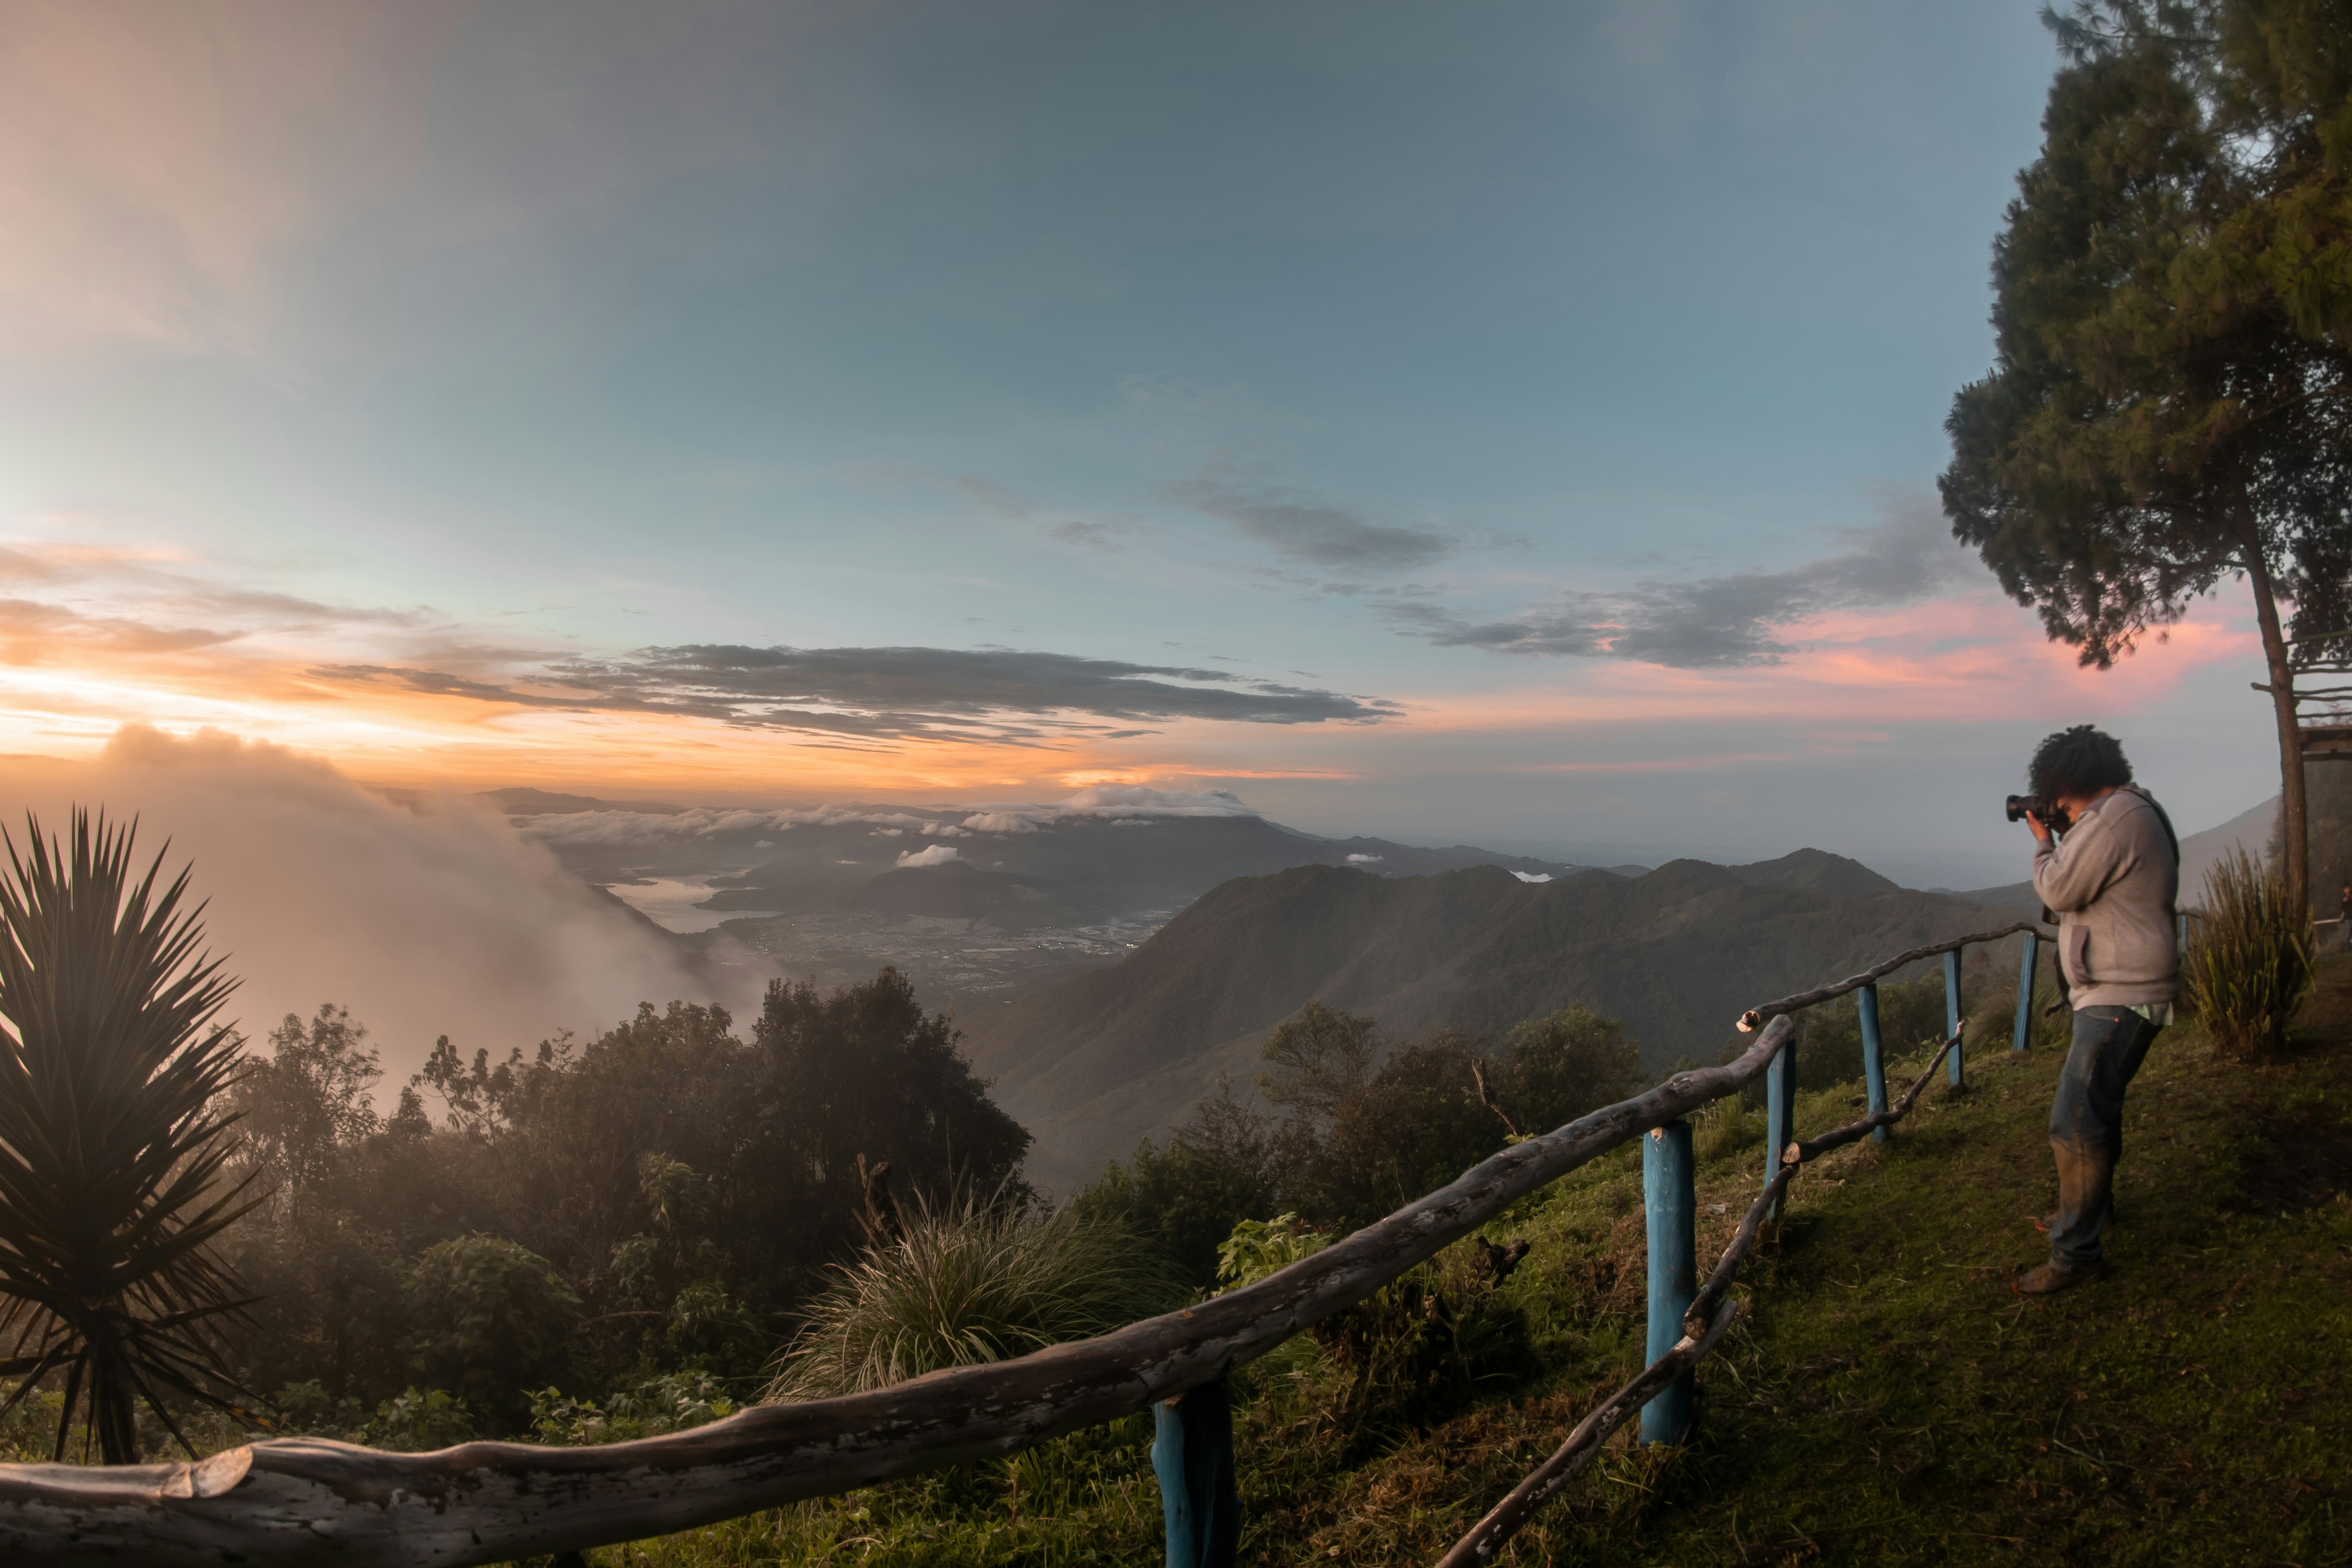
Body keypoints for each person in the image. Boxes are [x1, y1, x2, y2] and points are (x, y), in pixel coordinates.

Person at [2014, 725, 2179, 1296]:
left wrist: (2043, 842)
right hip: (2120, 990)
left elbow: (2058, 890)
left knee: (2074, 1121)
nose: (2052, 805)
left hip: (2120, 994)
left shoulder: (2111, 818)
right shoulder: (2128, 811)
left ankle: (2076, 1255)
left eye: (2054, 795)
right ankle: (2087, 1214)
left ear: (2067, 781)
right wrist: (2066, 832)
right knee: (2096, 1115)